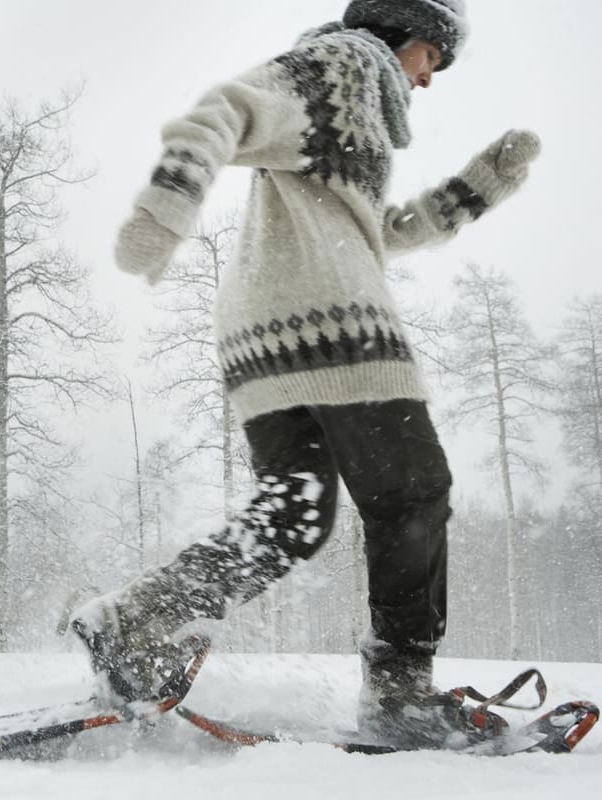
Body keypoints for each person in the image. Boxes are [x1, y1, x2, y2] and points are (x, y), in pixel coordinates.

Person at [72, 0, 540, 748]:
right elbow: (225, 110)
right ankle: (399, 696)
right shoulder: (346, 66)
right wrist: (165, 212)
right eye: (432, 57)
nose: (429, 78)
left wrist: (476, 189)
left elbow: (376, 232)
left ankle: (138, 618)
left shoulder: (351, 108)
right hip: (334, 324)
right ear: (403, 32)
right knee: (412, 492)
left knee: (292, 515)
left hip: (261, 333)